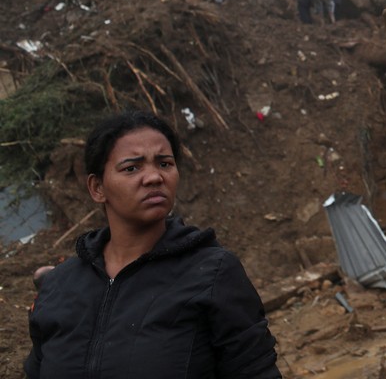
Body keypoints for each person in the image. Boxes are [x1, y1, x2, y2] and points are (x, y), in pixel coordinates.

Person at [24, 110, 281, 378]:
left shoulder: (212, 273)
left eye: (165, 164)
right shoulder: (59, 286)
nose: (154, 177)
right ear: (97, 187)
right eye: (131, 168)